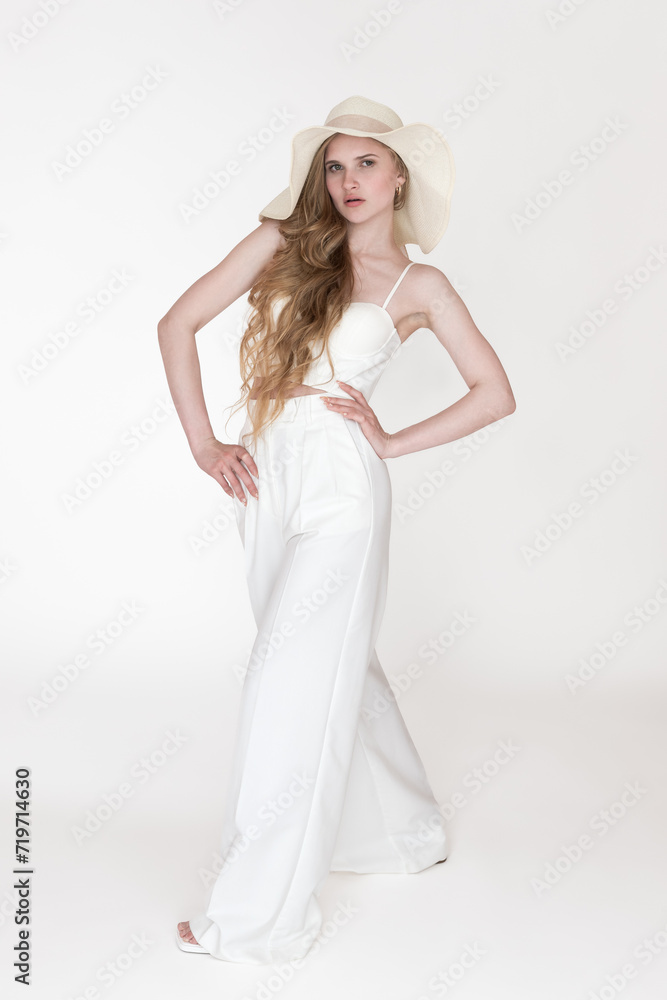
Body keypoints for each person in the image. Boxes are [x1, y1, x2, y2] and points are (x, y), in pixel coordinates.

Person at [157, 95, 516, 966]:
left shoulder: (418, 286)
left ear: (399, 178)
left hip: (342, 494)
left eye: (366, 163)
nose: (348, 180)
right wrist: (204, 444)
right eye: (334, 165)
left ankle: (257, 919)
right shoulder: (282, 243)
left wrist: (390, 441)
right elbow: (177, 323)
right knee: (330, 666)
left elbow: (493, 393)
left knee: (286, 684)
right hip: (266, 485)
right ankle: (401, 831)